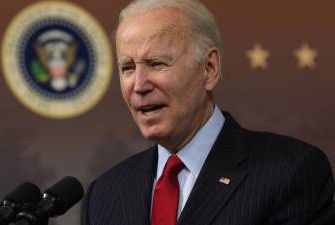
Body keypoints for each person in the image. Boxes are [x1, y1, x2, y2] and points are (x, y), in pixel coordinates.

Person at [81, 0, 335, 224]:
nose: (138, 85)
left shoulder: (289, 172)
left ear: (209, 69)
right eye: (127, 68)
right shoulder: (103, 196)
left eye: (157, 63)